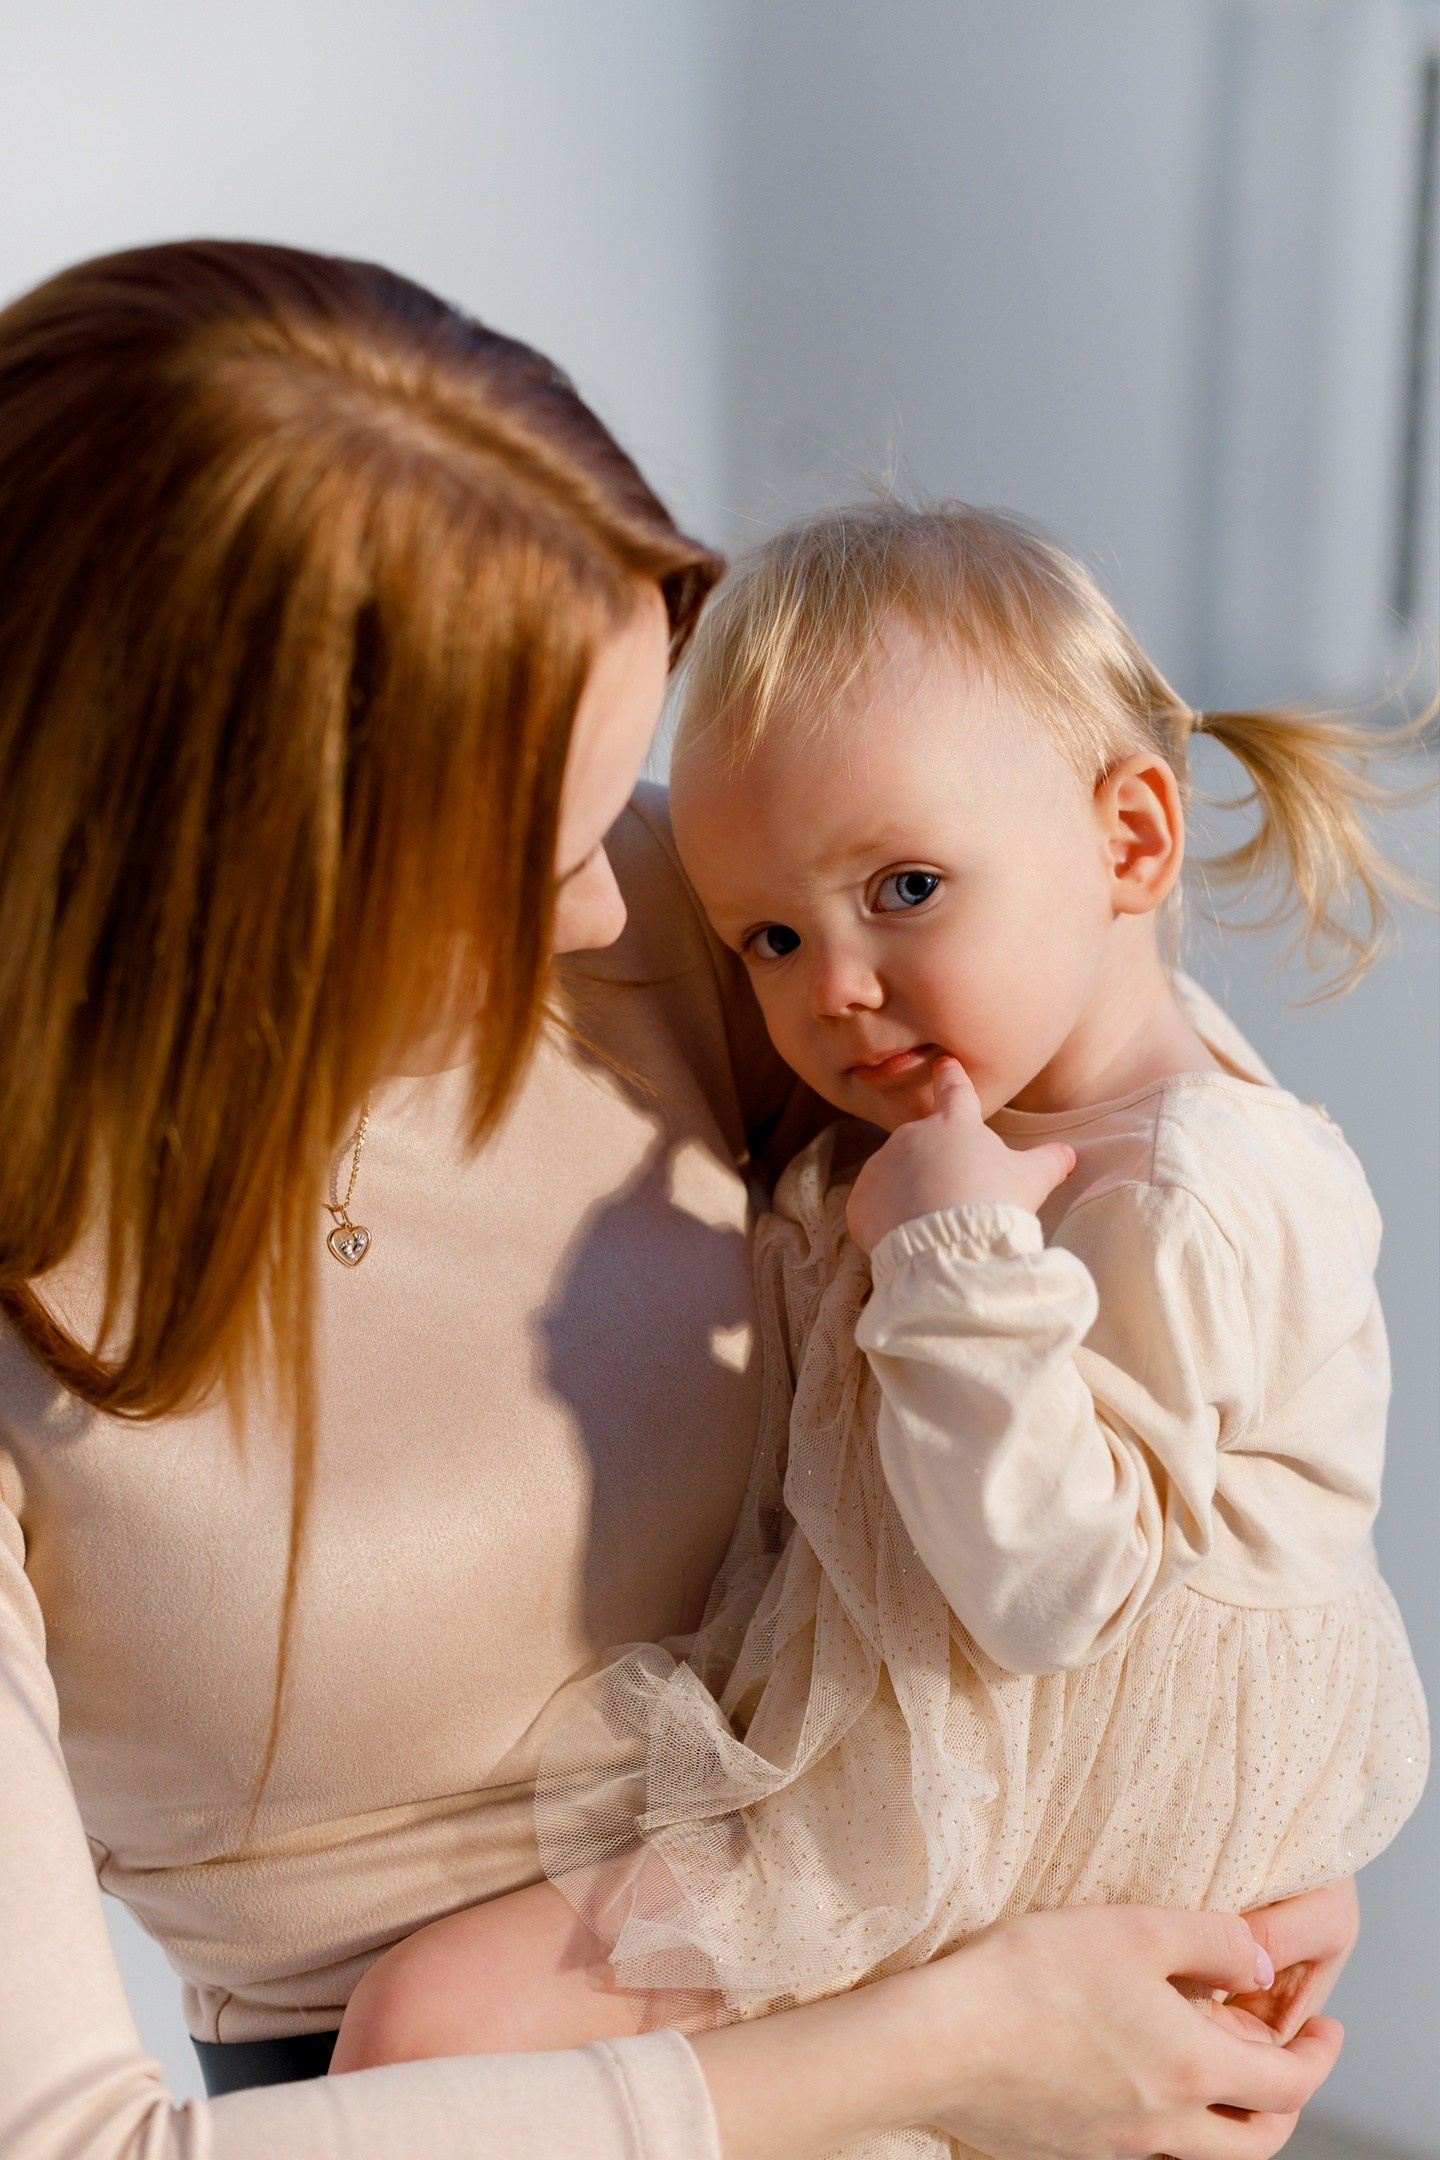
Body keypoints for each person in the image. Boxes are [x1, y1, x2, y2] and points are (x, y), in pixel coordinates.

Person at [0, 248, 1352, 2160]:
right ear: (237, 871)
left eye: (613, 795)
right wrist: (961, 2045)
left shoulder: (672, 936)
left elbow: (1097, 1081)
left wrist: (1201, 1785)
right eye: (535, 850)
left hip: (937, 1928)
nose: (611, 917)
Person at [328, 504, 1431, 2155]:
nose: (832, 987)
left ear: (1132, 842)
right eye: (768, 936)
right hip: (933, 1773)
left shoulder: (1193, 1186)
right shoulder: (957, 1133)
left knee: (434, 2027)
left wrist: (964, 1264)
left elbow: (1052, 1593)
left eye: (905, 887)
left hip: (998, 1800)